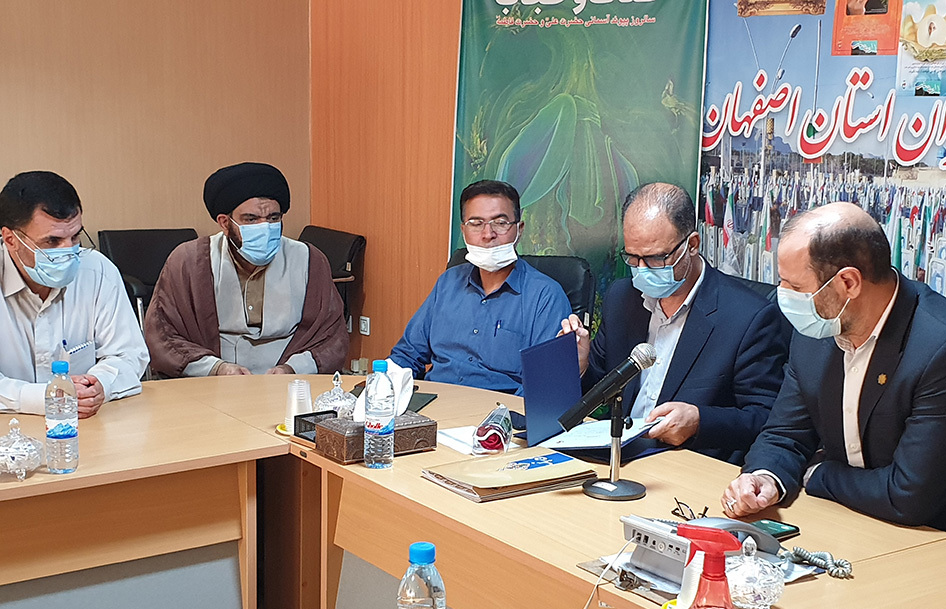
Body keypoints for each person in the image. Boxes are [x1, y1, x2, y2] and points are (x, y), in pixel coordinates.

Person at [722, 202, 946, 549]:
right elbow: (785, 433)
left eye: (794, 286)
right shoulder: (818, 329)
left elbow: (907, 495)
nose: (785, 297)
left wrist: (817, 472)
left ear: (848, 282)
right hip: (849, 520)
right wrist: (765, 478)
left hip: (945, 540)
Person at [561, 183, 787, 464]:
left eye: (656, 258)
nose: (641, 270)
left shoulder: (748, 317)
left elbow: (765, 418)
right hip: (619, 456)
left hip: (686, 464)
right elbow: (601, 390)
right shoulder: (622, 298)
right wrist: (581, 366)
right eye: (632, 257)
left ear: (692, 245)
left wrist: (699, 421)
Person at [145, 162, 347, 377]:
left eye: (273, 218)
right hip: (212, 380)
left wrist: (292, 369)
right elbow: (163, 334)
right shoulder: (188, 261)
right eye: (251, 219)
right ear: (225, 222)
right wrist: (216, 369)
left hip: (289, 380)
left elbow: (331, 335)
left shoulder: (309, 259)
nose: (265, 227)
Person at [389, 180, 571, 394]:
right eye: (476, 223)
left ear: (519, 229)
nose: (487, 234)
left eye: (500, 223)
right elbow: (407, 354)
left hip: (499, 410)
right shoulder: (448, 283)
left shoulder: (545, 296)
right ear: (463, 230)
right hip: (436, 404)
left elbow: (544, 384)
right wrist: (383, 391)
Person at [0, 171, 148, 417]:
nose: (69, 251)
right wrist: (46, 397)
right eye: (52, 241)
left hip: (87, 424)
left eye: (75, 236)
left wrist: (99, 386)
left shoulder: (97, 270)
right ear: (10, 239)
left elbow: (129, 354)